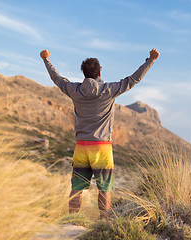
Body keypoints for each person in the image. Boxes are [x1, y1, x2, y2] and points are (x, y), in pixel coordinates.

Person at [40, 48, 160, 219]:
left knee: (77, 187)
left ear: (84, 73)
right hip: (102, 147)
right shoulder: (109, 89)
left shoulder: (75, 90)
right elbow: (134, 79)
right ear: (100, 72)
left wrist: (46, 60)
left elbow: (57, 79)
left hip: (81, 146)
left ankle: (71, 221)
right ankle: (104, 223)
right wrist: (151, 60)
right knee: (105, 188)